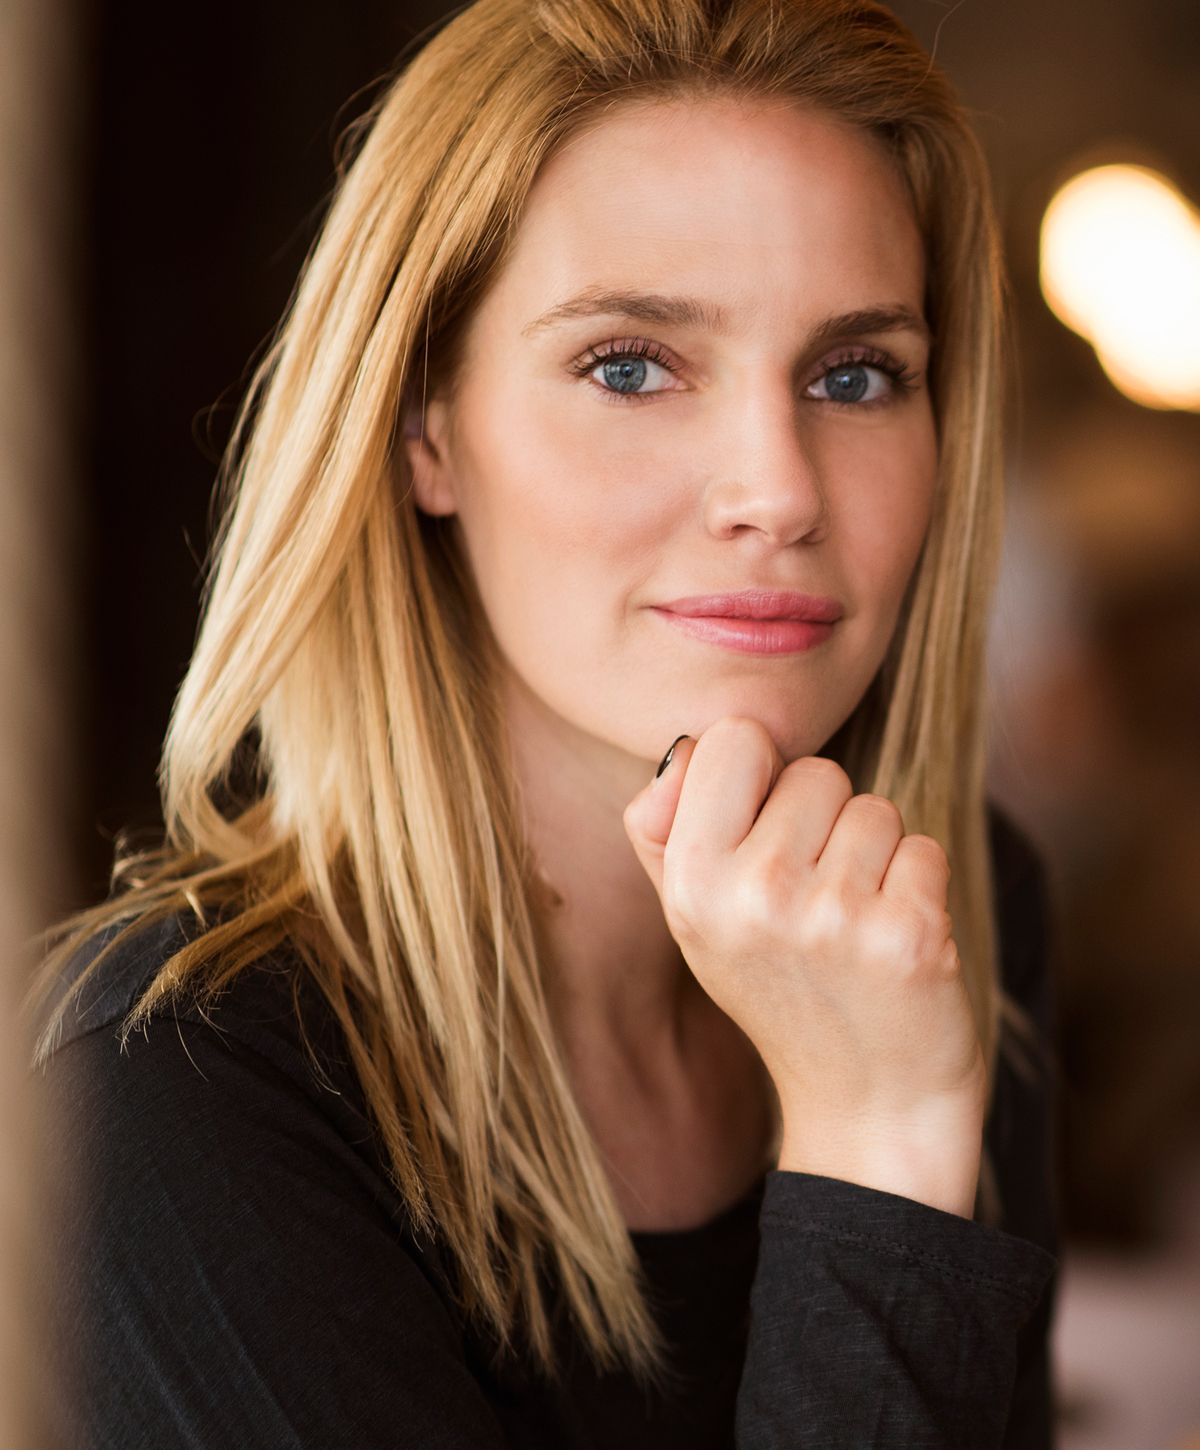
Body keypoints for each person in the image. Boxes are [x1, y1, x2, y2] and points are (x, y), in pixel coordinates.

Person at [23, 0, 1061, 1444]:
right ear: (423, 428)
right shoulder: (169, 1091)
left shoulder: (941, 924)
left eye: (854, 374)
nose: (780, 487)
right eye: (631, 364)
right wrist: (880, 1157)